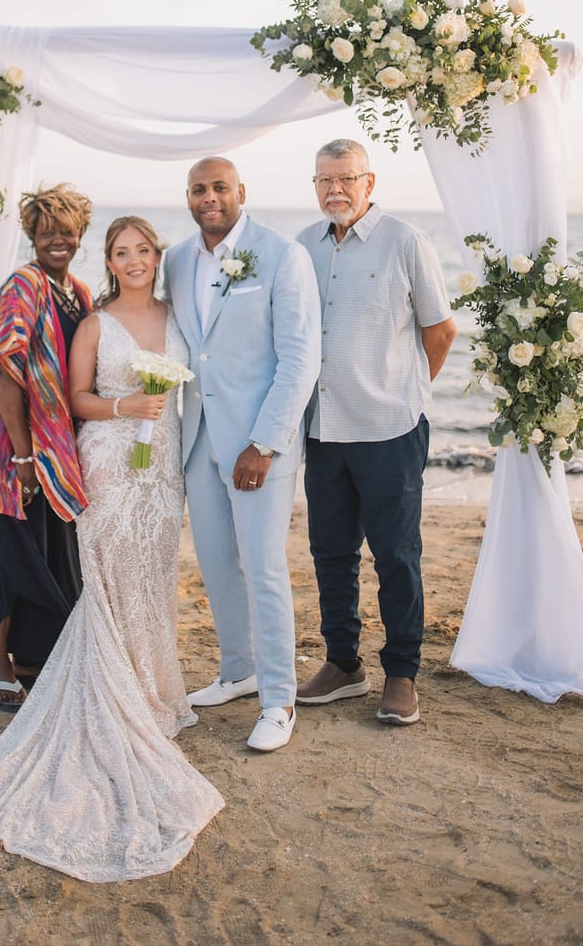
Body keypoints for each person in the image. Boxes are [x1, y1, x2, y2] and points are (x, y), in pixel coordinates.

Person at [0, 215, 223, 883]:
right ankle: (14, 662)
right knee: (80, 567)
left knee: (147, 576)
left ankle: (151, 686)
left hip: (161, 465)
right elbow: (55, 385)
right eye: (121, 252)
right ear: (108, 256)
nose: (133, 260)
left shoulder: (102, 298)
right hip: (74, 454)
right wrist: (49, 445)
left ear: (157, 255)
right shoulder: (63, 303)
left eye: (143, 250)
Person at [295, 139, 456, 725]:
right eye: (324, 180)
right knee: (331, 553)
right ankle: (343, 664)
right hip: (324, 429)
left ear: (370, 182)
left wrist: (406, 393)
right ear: (314, 186)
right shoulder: (302, 248)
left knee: (396, 556)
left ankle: (402, 674)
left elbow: (440, 331)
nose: (334, 190)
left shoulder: (406, 242)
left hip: (390, 428)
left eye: (346, 179)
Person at [165, 157, 321, 753]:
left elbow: (301, 359)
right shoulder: (178, 260)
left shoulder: (282, 255)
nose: (211, 198)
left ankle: (279, 699)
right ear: (188, 197)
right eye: (200, 189)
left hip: (259, 445)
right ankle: (238, 671)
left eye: (220, 188)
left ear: (241, 193)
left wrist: (265, 443)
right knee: (216, 564)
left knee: (263, 568)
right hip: (200, 437)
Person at [0, 183, 93, 710]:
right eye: (46, 233)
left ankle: (30, 660)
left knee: (48, 548)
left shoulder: (80, 292)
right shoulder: (24, 284)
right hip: (7, 445)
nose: (57, 241)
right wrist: (23, 456)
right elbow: (4, 368)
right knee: (11, 550)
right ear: (32, 236)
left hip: (54, 450)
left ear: (80, 235)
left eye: (66, 232)